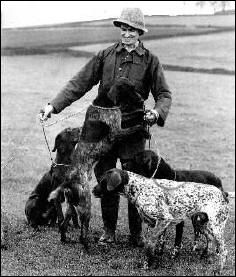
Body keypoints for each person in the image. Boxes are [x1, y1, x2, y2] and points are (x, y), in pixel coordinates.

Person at [39, 7, 172, 247]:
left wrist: (156, 112)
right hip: (102, 132)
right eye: (124, 28)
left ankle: (136, 235)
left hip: (133, 130)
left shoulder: (151, 60)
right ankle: (109, 233)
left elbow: (164, 94)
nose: (127, 33)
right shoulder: (106, 55)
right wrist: (53, 106)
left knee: (134, 183)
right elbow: (79, 82)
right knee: (106, 178)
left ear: (140, 31)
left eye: (132, 29)